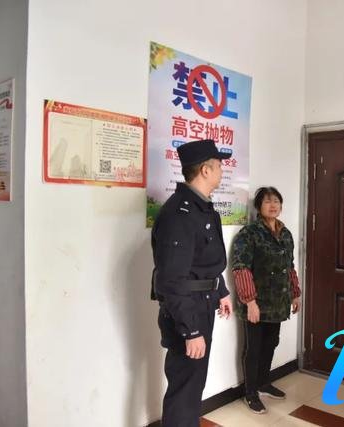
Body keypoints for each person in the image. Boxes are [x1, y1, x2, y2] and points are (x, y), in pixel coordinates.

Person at [151, 139, 233, 427]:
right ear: (205, 170)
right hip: (188, 311)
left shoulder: (202, 208)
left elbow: (203, 262)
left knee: (194, 383)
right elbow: (171, 280)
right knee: (185, 388)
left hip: (202, 304)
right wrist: (191, 330)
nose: (222, 171)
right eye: (219, 165)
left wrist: (221, 291)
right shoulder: (179, 214)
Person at [231, 187, 302, 414]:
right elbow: (241, 268)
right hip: (256, 303)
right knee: (253, 348)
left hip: (278, 302)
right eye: (267, 201)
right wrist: (250, 302)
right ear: (259, 206)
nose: (273, 205)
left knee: (271, 343)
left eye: (276, 201)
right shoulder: (249, 233)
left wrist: (295, 293)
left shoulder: (285, 233)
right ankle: (250, 392)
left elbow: (289, 266)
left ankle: (263, 383)